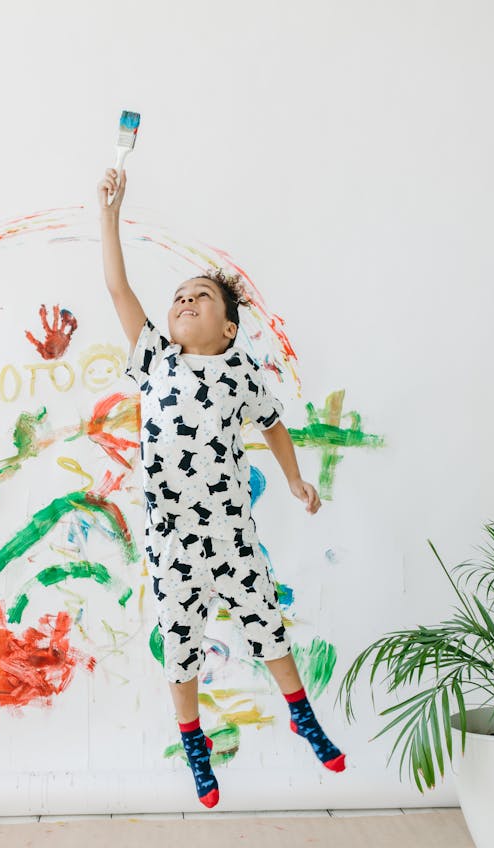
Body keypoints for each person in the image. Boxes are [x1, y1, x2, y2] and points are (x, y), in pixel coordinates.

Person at [98, 166, 346, 808]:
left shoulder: (240, 373)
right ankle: (193, 741)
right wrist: (110, 215)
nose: (184, 302)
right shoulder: (154, 359)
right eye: (179, 295)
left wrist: (294, 479)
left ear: (229, 329)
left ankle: (302, 713)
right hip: (173, 541)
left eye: (200, 297)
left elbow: (275, 427)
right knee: (180, 648)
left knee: (268, 628)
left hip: (231, 535)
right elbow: (118, 287)